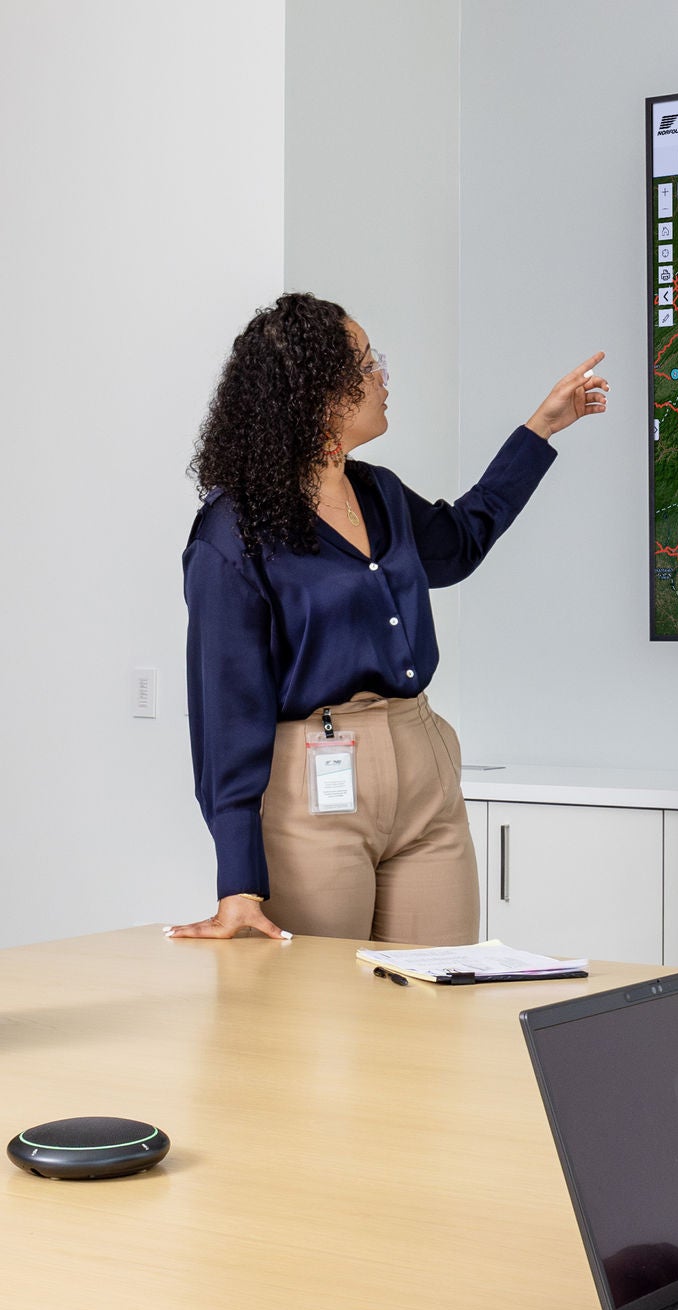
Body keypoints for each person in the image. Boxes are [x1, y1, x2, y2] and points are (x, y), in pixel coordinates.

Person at [168, 293, 607, 945]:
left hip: (423, 770)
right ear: (318, 394)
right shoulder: (233, 532)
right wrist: (238, 882)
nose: (382, 376)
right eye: (368, 363)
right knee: (325, 1027)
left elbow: (460, 542)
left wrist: (540, 428)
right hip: (314, 792)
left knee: (443, 999)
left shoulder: (380, 492)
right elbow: (226, 717)